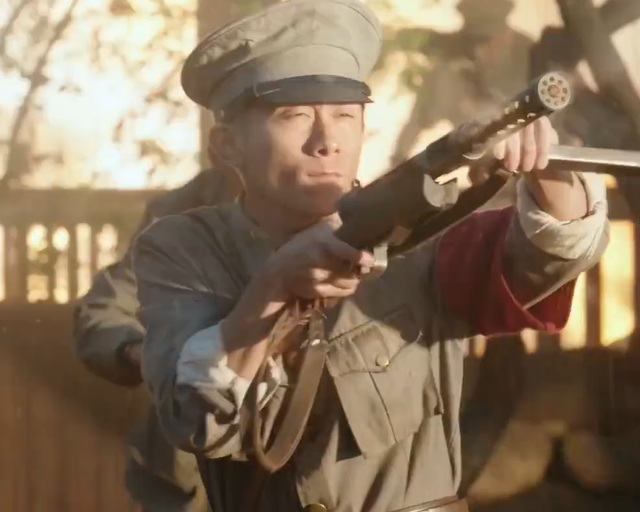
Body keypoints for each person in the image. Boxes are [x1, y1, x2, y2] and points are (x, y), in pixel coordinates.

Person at [131, 1, 610, 511]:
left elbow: (546, 257)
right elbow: (196, 420)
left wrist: (549, 173)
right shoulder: (182, 249)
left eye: (345, 115)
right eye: (294, 115)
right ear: (227, 145)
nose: (327, 141)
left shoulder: (420, 233)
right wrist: (273, 287)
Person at [73, 167, 239, 512]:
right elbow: (104, 311)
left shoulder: (333, 210)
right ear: (223, 145)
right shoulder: (176, 213)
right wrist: (146, 351)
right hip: (183, 473)